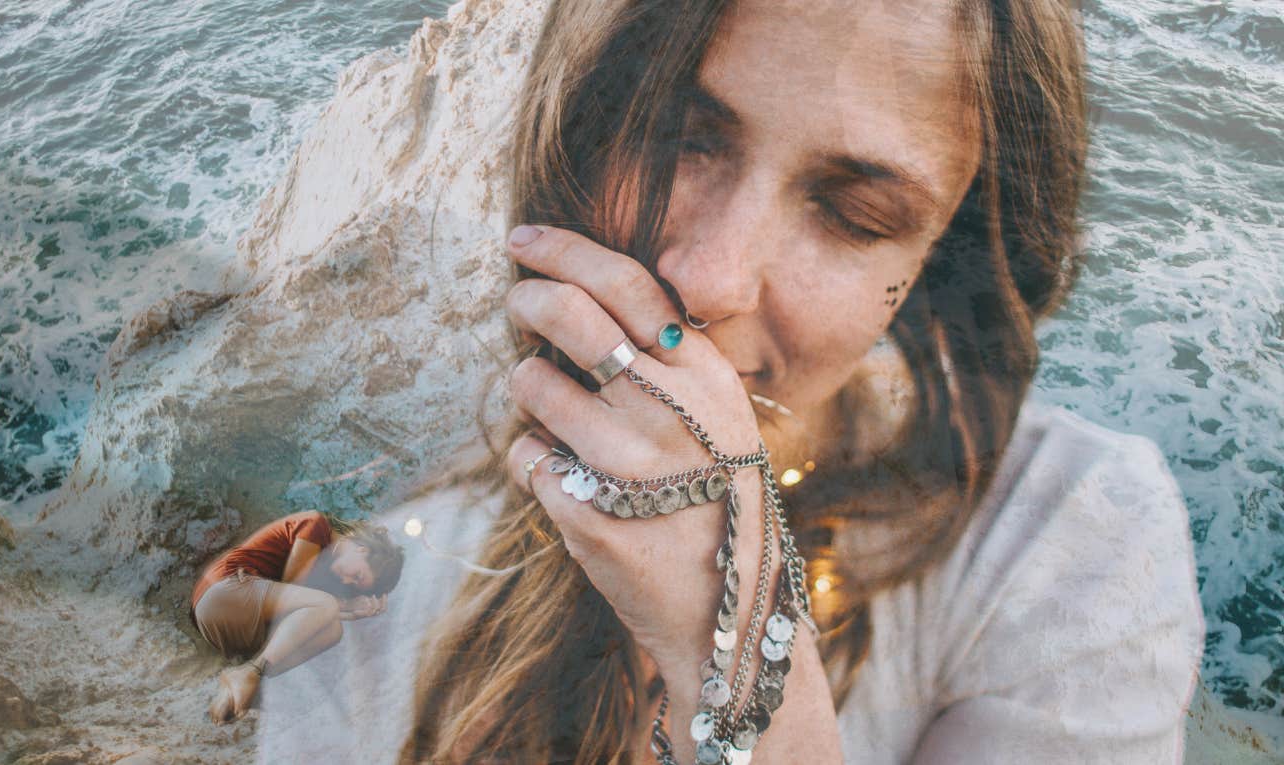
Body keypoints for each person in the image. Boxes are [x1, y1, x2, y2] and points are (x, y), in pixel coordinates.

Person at [377, 0, 1204, 762]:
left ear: (936, 264)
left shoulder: (1072, 548)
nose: (708, 281)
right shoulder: (385, 592)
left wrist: (730, 641)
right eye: (678, 137)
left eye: (855, 216)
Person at [189, 510, 404, 724]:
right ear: (361, 550)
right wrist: (347, 606)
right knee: (326, 607)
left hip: (236, 625)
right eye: (357, 575)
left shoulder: (329, 570)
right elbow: (290, 598)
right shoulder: (315, 525)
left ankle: (244, 690)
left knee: (332, 630)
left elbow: (299, 618)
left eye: (355, 585)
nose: (347, 581)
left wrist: (354, 612)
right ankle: (249, 672)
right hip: (222, 594)